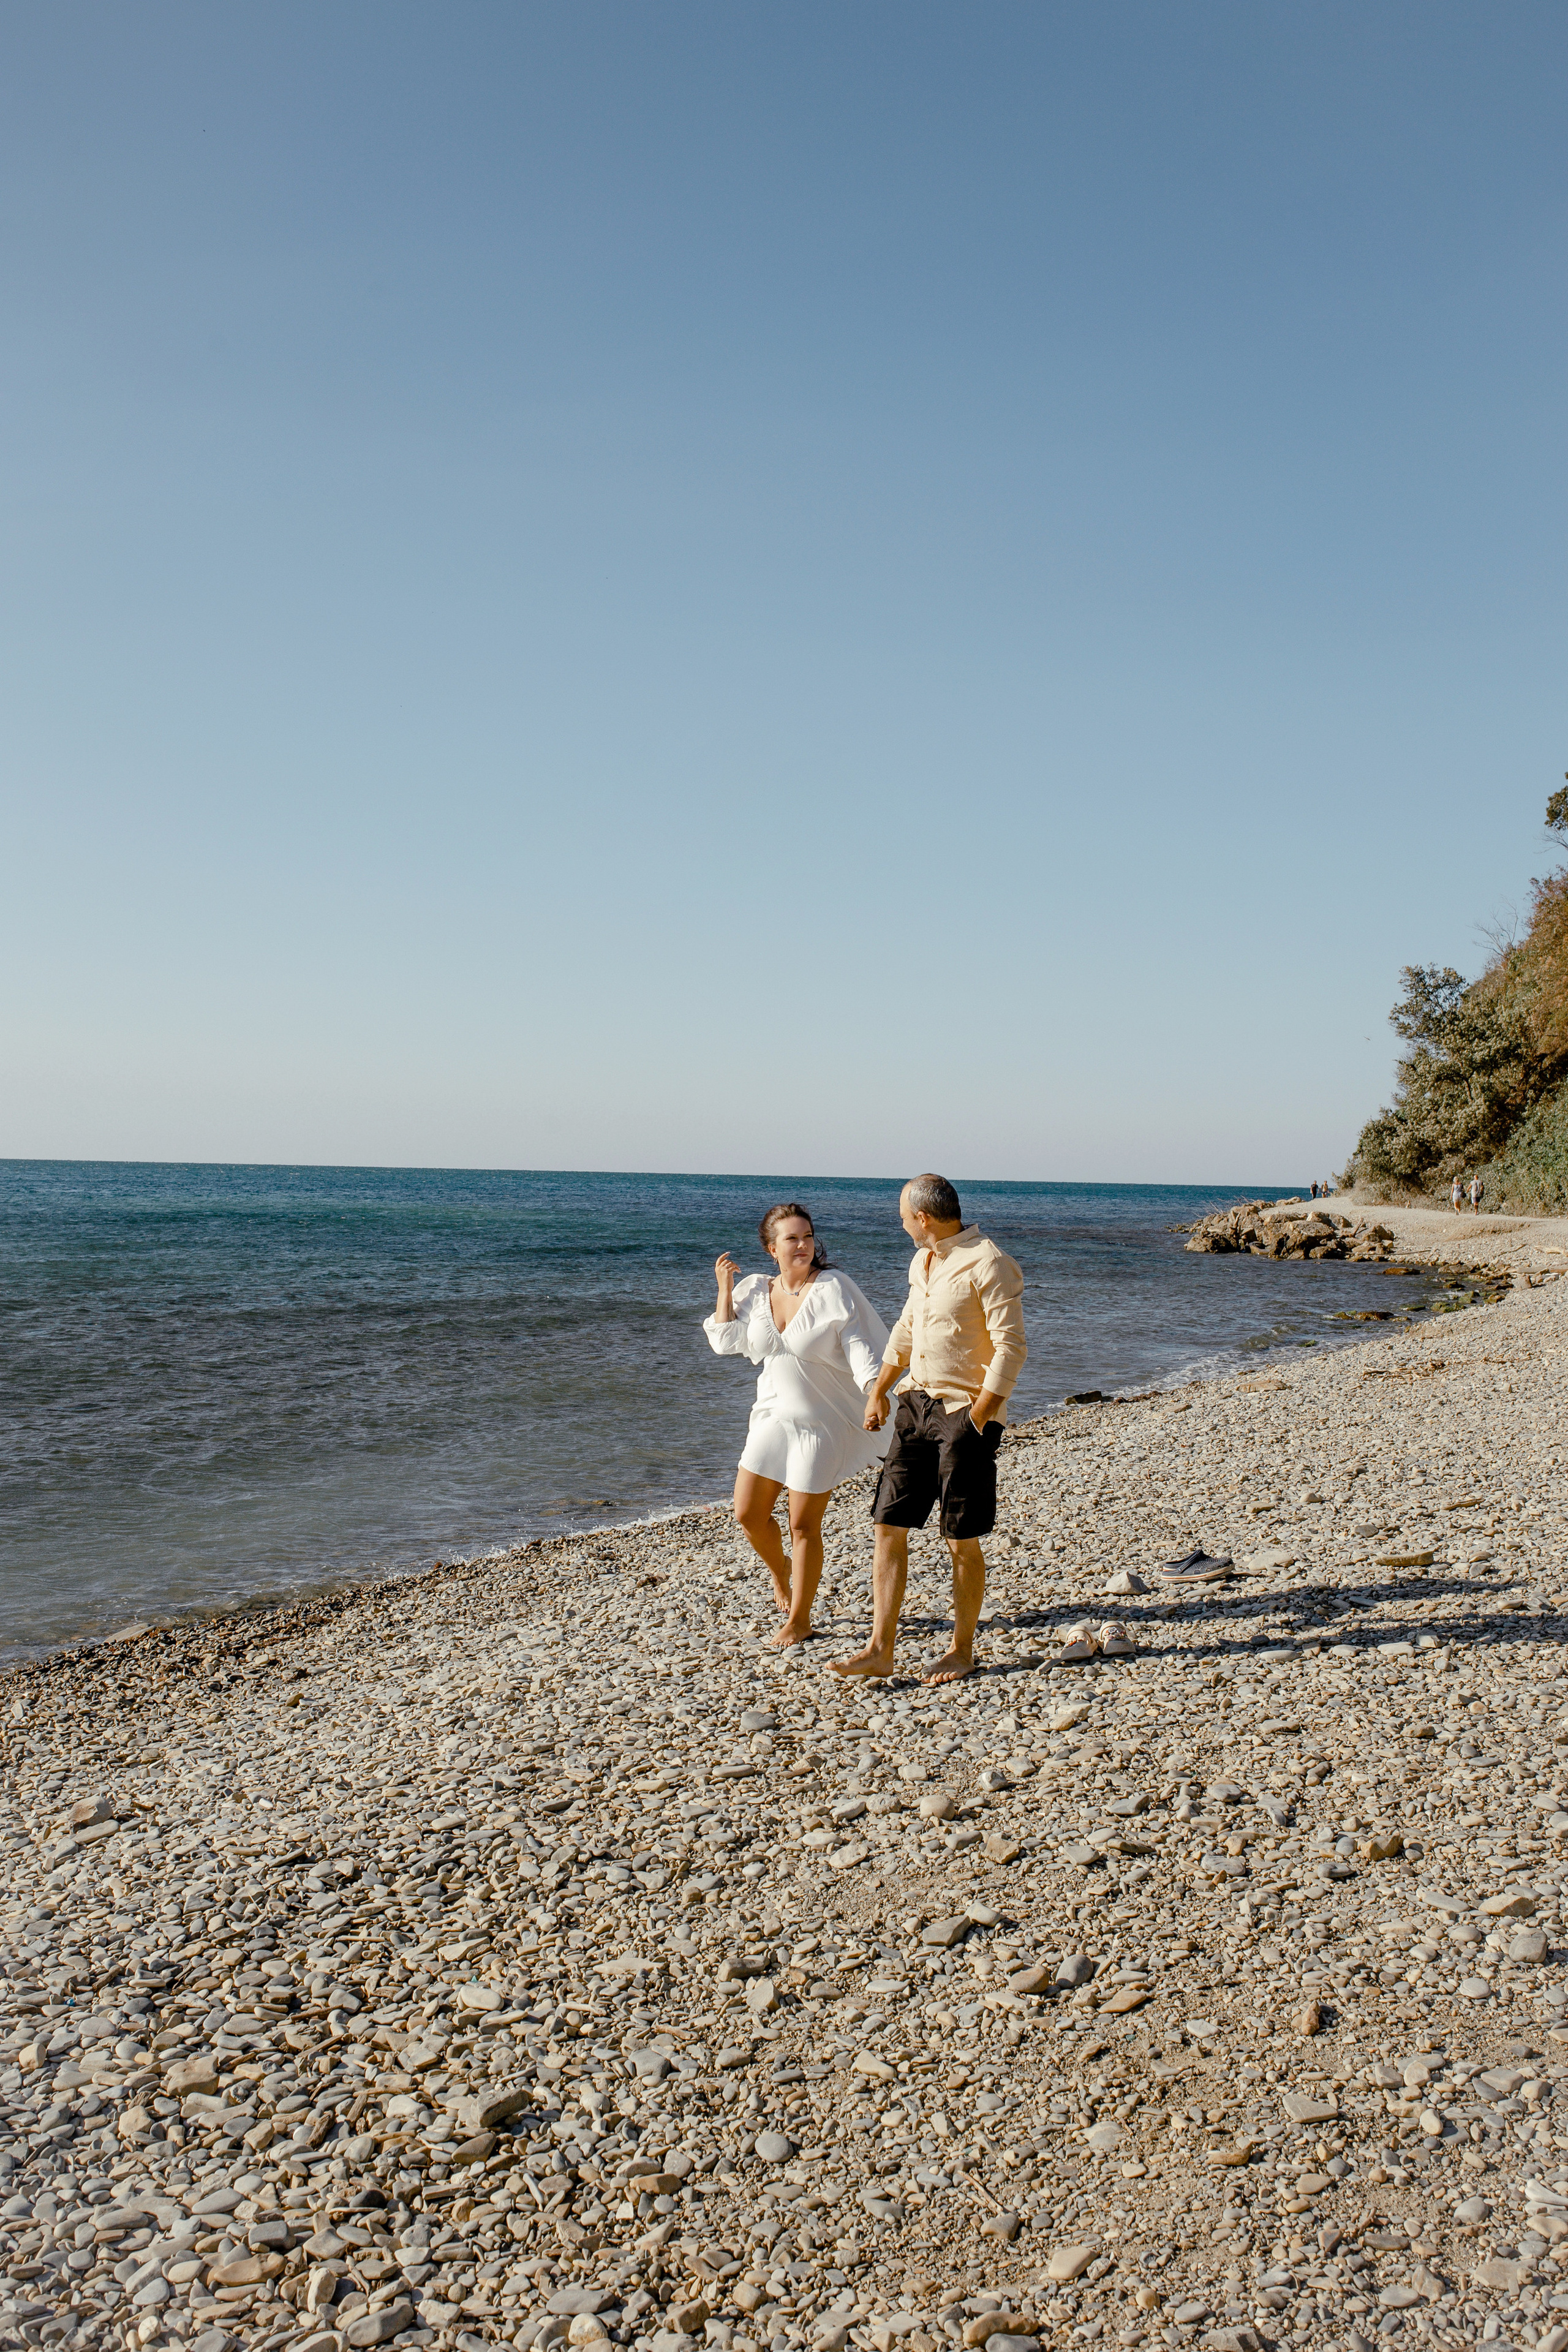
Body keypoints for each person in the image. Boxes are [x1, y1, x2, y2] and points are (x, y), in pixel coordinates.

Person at [831, 1174, 1026, 1684]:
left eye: (902, 1216)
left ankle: (962, 1651)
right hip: (915, 1406)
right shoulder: (923, 1260)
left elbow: (1012, 1348)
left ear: (923, 1218)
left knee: (960, 1537)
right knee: (887, 1525)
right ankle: (880, 1649)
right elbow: (907, 1328)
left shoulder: (989, 1262)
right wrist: (879, 1389)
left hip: (964, 1413)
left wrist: (981, 1415)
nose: (901, 1225)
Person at [704, 1203, 891, 1649]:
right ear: (773, 1249)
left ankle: (801, 1619)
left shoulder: (833, 1287)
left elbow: (859, 1342)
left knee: (803, 1526)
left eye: (807, 1236)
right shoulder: (755, 1290)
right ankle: (781, 1572)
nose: (803, 1244)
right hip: (771, 1416)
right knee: (748, 1514)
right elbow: (725, 1343)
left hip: (821, 1422)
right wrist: (725, 1289)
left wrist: (873, 1389)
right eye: (792, 1238)